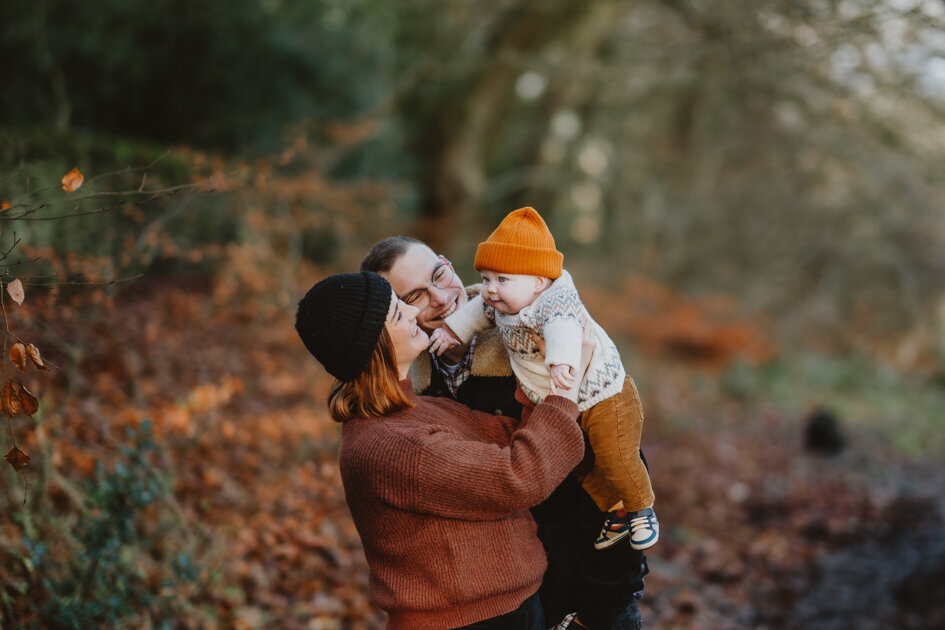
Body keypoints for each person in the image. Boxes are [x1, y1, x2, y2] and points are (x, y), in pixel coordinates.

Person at [361, 237, 649, 629]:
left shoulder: (538, 335)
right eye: (415, 296)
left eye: (439, 275)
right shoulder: (417, 390)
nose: (443, 298)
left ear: (448, 262)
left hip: (586, 599)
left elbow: (618, 464)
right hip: (511, 608)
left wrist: (601, 609)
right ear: (394, 314)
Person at [295, 270, 590, 630]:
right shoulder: (391, 444)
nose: (410, 312)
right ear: (371, 345)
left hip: (507, 611)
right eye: (395, 313)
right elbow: (518, 475)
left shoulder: (414, 409)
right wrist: (562, 394)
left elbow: (511, 435)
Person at [430, 207, 659, 556]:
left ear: (538, 280)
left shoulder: (555, 301)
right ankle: (617, 511)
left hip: (602, 393)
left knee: (615, 455)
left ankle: (642, 510)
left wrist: (562, 362)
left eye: (501, 279)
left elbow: (564, 329)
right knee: (579, 463)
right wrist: (451, 329)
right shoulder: (501, 303)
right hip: (557, 400)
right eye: (486, 278)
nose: (490, 289)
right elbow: (476, 312)